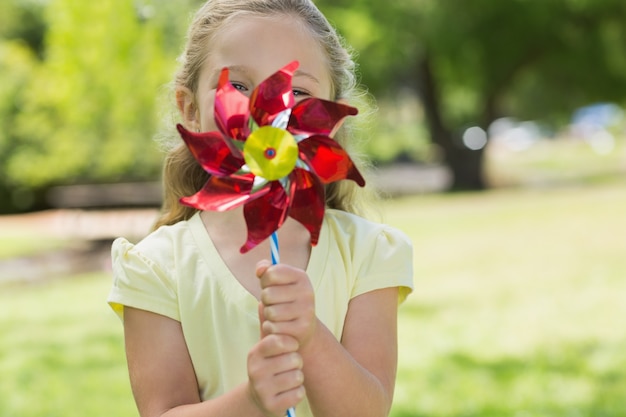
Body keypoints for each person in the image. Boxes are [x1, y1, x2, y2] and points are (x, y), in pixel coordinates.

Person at [107, 1, 414, 417]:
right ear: (191, 109)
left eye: (299, 91)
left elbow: (367, 411)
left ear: (329, 123)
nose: (267, 113)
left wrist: (310, 335)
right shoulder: (156, 266)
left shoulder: (367, 252)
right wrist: (249, 400)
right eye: (237, 86)